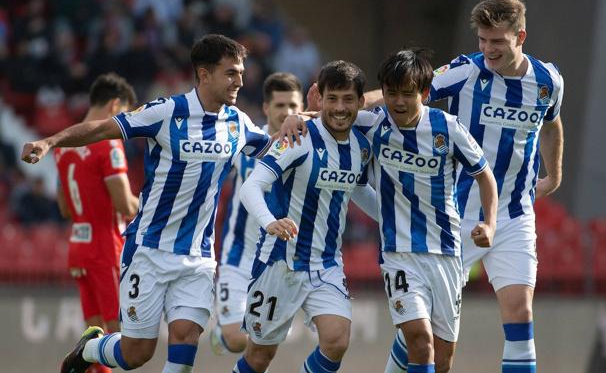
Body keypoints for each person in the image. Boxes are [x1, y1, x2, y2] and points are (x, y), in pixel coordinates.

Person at [21, 34, 272, 373]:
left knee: (185, 340)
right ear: (204, 74)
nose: (240, 81)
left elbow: (277, 146)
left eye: (241, 73)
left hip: (197, 256)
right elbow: (102, 129)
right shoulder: (167, 112)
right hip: (149, 251)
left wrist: (314, 119)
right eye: (230, 73)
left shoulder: (238, 123)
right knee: (136, 354)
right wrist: (51, 141)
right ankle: (90, 350)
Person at [280, 49, 498, 373]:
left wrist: (490, 224)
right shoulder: (376, 125)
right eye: (391, 93)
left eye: (407, 93)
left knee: (442, 361)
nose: (398, 102)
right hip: (399, 253)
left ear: (424, 93)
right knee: (419, 340)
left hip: (447, 252)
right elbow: (338, 116)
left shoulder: (448, 129)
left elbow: (485, 176)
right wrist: (298, 116)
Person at [383, 0, 564, 373]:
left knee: (520, 314)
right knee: (423, 335)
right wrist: (343, 110)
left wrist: (555, 173)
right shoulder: (467, 72)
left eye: (497, 41)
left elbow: (551, 122)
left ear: (520, 36)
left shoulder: (547, 81)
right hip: (455, 218)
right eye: (483, 39)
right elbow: (405, 90)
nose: (487, 48)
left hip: (513, 215)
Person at [232, 60, 377, 373]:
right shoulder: (297, 138)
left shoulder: (361, 147)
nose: (340, 108)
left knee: (337, 340)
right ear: (319, 99)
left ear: (360, 102)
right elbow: (251, 187)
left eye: (348, 99)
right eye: (333, 98)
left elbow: (359, 189)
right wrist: (270, 221)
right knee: (258, 358)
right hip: (279, 263)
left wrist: (394, 216)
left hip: (326, 264)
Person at [210, 72, 305, 355]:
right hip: (238, 256)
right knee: (239, 339)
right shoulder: (248, 143)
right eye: (280, 105)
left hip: (276, 263)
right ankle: (223, 334)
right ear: (266, 108)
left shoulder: (306, 148)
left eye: (293, 106)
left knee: (263, 344)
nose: (287, 112)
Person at [54, 73, 139, 373]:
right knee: (121, 337)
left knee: (93, 339)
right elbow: (124, 204)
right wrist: (147, 205)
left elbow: (65, 207)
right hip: (105, 246)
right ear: (115, 106)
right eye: (125, 116)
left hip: (78, 246)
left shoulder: (64, 145)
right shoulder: (108, 145)